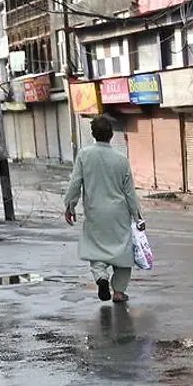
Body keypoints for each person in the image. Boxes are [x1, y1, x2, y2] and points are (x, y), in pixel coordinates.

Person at [64, 114, 144, 304]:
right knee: (123, 253)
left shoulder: (84, 155)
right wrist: (137, 216)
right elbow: (129, 192)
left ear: (93, 134)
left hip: (95, 212)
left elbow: (75, 183)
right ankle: (119, 292)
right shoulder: (121, 159)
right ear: (111, 135)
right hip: (119, 213)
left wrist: (70, 206)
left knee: (97, 250)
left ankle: (101, 277)